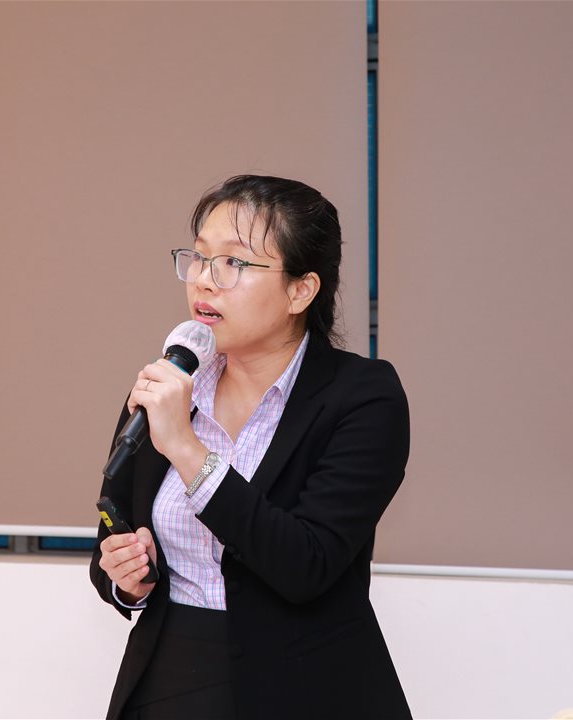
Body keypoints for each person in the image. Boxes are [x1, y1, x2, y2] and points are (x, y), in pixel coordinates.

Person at [90, 175, 412, 720]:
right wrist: (127, 578)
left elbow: (306, 564)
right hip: (167, 681)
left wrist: (186, 448)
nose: (204, 280)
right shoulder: (172, 386)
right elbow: (113, 527)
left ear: (300, 290)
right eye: (199, 257)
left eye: (233, 262)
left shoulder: (363, 397)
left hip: (306, 690)